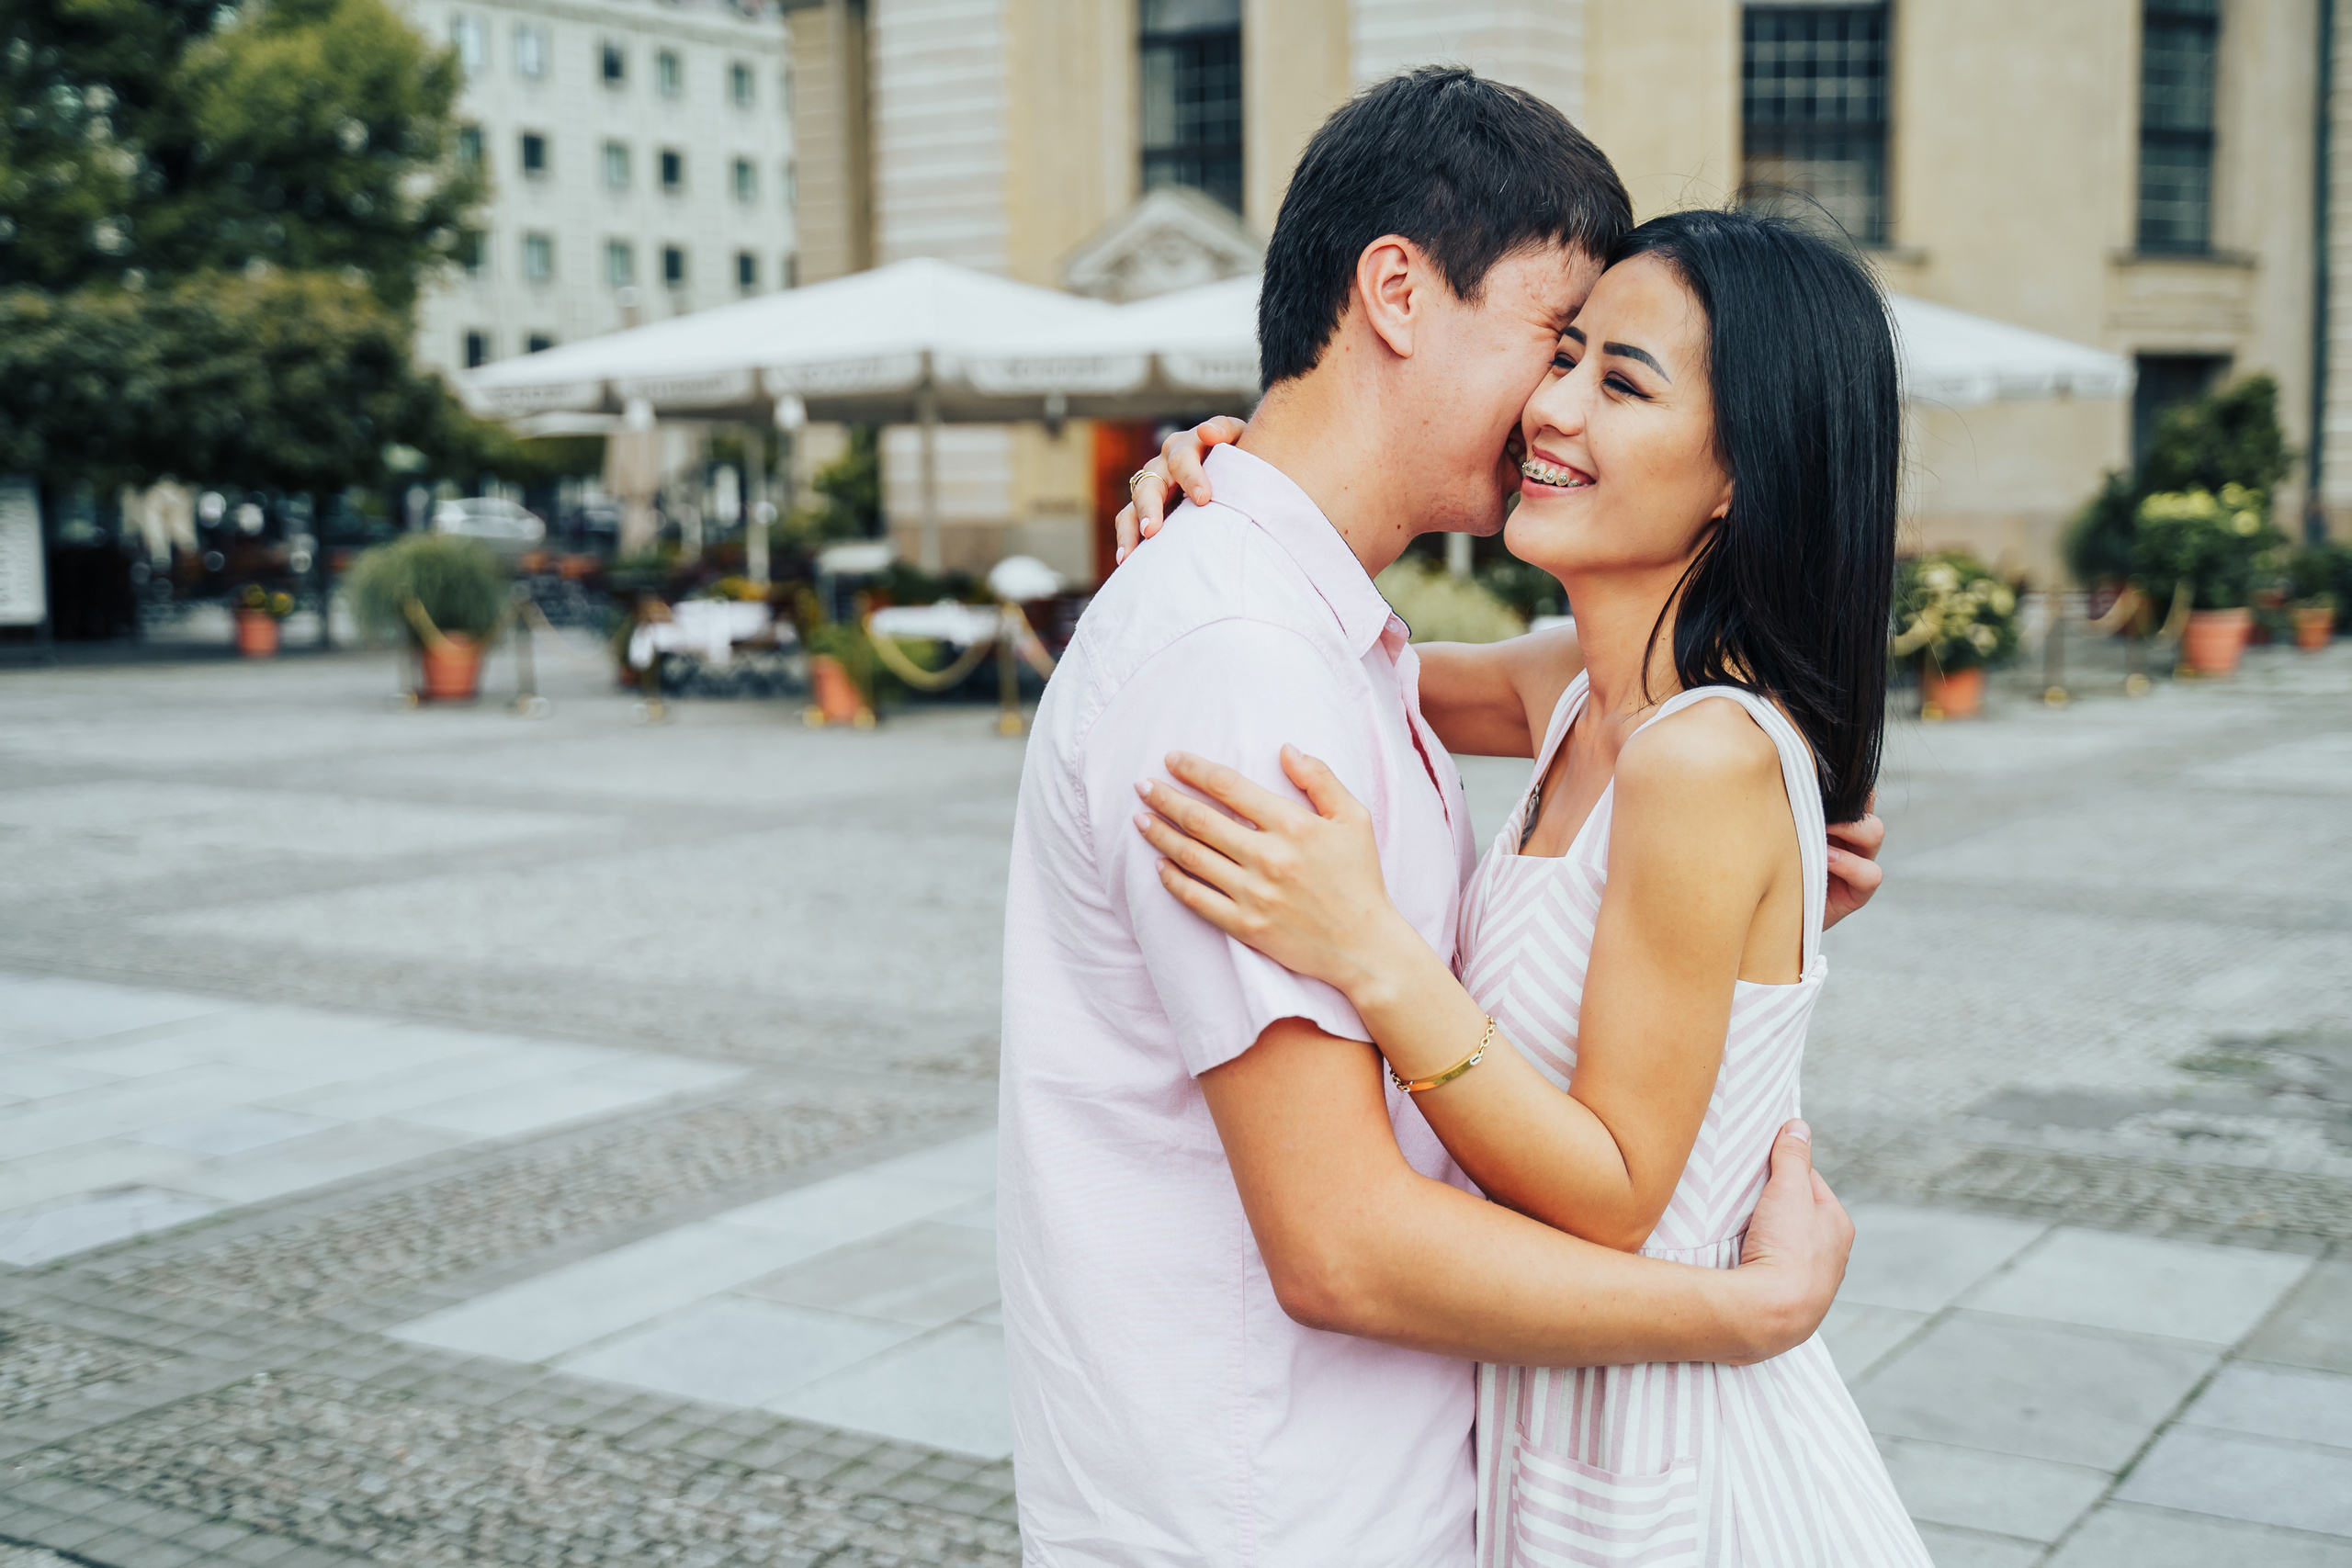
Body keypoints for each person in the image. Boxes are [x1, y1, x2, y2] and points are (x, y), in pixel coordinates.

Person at [998, 69, 1877, 1568]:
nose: (1552, 402)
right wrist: (1751, 1312)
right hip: (1279, 1512)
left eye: (1611, 373)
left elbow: (1716, 731)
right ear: (1396, 292)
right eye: (1556, 342)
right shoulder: (1246, 657)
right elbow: (1340, 1243)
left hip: (1460, 1477)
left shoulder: (1332, 641)